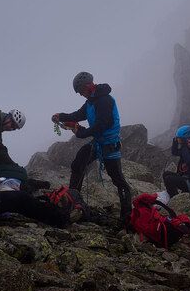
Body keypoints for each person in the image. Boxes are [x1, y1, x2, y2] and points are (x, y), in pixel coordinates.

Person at [51, 71, 132, 227]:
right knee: (78, 163)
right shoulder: (90, 101)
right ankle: (73, 202)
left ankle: (126, 217)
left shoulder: (104, 100)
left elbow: (103, 124)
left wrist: (82, 132)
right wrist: (60, 116)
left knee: (118, 180)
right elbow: (78, 114)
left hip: (109, 145)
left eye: (81, 91)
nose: (81, 94)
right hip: (99, 143)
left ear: (88, 86)